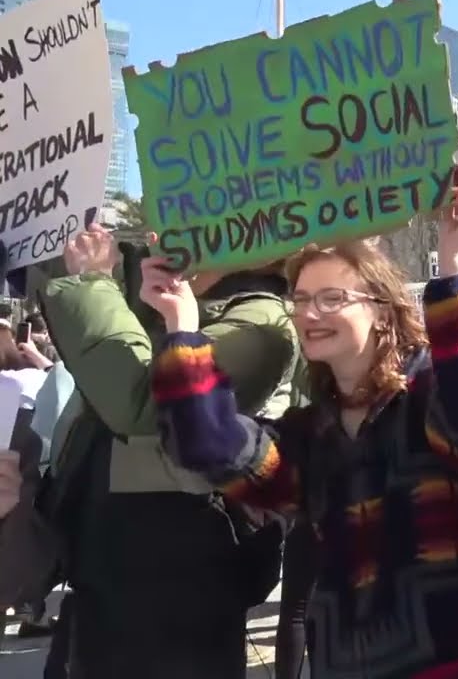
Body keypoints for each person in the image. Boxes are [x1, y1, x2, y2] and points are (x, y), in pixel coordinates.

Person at [144, 165, 458, 679]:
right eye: (300, 300)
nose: (308, 314)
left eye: (331, 299)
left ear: (382, 312)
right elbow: (209, 446)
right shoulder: (310, 436)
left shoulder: (426, 400)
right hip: (349, 661)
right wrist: (181, 325)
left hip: (457, 656)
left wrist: (455, 260)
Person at [34, 225, 300, 679]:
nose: (166, 230)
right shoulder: (163, 299)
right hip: (106, 564)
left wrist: (93, 285)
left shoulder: (264, 322)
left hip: (182, 578)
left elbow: (141, 408)